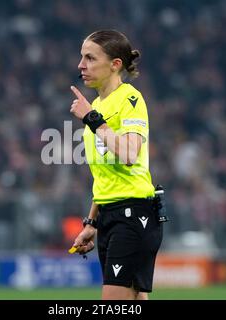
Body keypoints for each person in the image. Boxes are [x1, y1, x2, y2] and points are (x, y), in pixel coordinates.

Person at [69, 30, 163, 300]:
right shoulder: (98, 105)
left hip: (134, 213)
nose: (81, 65)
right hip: (111, 215)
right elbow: (104, 178)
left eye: (90, 57)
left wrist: (92, 119)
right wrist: (92, 222)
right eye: (81, 57)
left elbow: (130, 153)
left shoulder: (130, 100)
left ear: (115, 64)